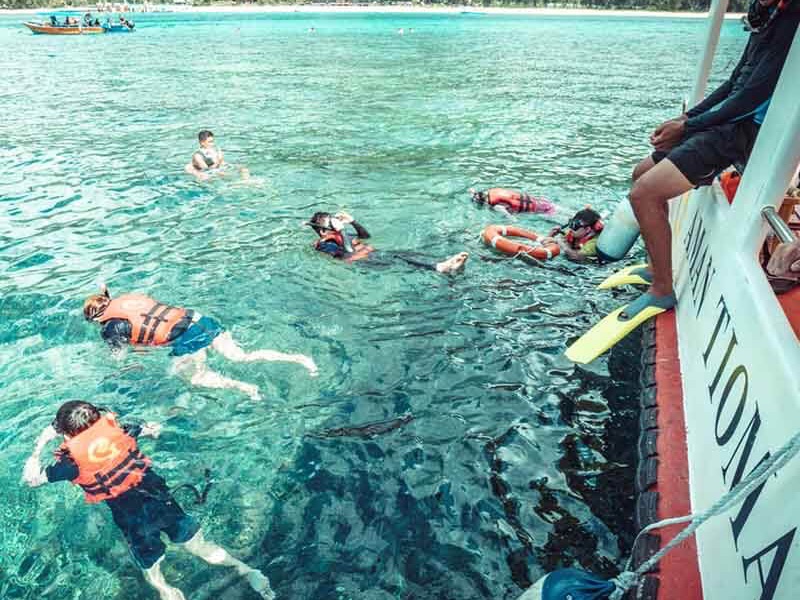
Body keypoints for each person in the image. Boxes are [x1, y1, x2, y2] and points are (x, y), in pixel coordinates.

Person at [622, 0, 800, 321]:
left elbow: (754, 96)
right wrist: (687, 118)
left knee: (645, 193)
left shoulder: (792, 19)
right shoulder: (769, 16)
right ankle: (656, 267)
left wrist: (689, 126)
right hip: (725, 122)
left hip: (741, 131)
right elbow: (735, 83)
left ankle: (662, 291)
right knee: (642, 172)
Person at [22, 401, 275, 600]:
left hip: (134, 521)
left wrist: (39, 444)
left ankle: (166, 591)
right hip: (162, 501)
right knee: (199, 546)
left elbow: (31, 479)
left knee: (152, 568)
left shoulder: (70, 465)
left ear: (66, 436)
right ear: (99, 419)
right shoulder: (123, 429)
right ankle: (246, 570)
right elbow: (154, 429)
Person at [83, 285, 317, 401]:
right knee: (242, 356)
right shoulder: (129, 299)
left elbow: (118, 357)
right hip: (201, 321)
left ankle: (245, 388)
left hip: (186, 340)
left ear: (96, 318)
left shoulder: (110, 328)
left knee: (195, 378)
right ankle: (298, 358)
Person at [306, 211, 469, 274]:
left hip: (374, 255)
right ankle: (439, 268)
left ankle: (448, 263)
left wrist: (353, 222)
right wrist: (340, 231)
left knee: (407, 254)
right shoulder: (324, 244)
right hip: (366, 264)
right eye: (332, 224)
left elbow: (365, 237)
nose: (337, 225)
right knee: (400, 260)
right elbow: (348, 255)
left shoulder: (340, 234)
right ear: (323, 231)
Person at [470, 187, 556, 215]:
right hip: (541, 202)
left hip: (540, 211)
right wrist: (473, 191)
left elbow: (510, 218)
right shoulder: (493, 191)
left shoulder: (496, 206)